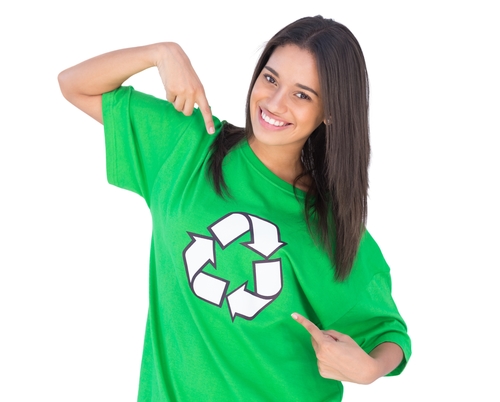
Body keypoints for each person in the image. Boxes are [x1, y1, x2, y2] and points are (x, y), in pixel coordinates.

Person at [58, 15, 411, 402]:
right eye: (271, 79)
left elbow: (387, 334)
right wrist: (162, 53)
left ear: (330, 113)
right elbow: (75, 86)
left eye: (302, 94)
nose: (274, 103)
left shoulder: (327, 225)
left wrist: (369, 369)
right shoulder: (188, 146)